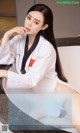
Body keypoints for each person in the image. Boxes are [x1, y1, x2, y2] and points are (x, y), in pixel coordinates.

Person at [0, 4, 80, 131]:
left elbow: (31, 80)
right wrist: (7, 35)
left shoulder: (46, 48)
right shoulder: (19, 39)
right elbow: (3, 59)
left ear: (44, 27)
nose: (29, 24)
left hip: (62, 96)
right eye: (29, 18)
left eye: (36, 22)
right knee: (35, 122)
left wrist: (5, 73)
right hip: (40, 99)